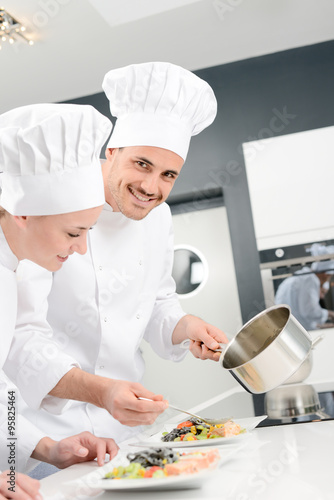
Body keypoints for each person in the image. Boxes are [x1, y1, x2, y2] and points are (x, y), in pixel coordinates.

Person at [4, 62, 228, 447]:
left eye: (168, 175)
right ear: (112, 150)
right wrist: (99, 392)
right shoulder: (54, 208)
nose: (150, 187)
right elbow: (20, 334)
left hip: (125, 425)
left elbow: (157, 300)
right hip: (47, 429)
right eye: (142, 164)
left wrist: (185, 326)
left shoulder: (159, 219)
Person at [0, 103, 119, 498]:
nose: (81, 249)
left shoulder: (16, 269)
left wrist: (49, 448)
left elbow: (3, 393)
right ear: (22, 216)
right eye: (73, 233)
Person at [275, 243, 334, 330]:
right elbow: (310, 312)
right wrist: (330, 314)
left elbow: (303, 318)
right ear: (326, 274)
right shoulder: (310, 280)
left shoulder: (302, 277)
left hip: (289, 328)